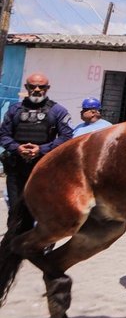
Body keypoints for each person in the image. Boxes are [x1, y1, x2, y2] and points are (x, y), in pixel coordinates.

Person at [0, 73, 73, 226]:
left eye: (42, 87)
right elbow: (4, 135)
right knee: (15, 211)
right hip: (17, 168)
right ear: (27, 88)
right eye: (33, 86)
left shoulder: (58, 111)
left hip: (44, 168)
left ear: (48, 88)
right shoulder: (14, 110)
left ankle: (40, 246)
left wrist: (41, 149)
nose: (37, 90)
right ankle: (13, 246)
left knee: (40, 209)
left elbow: (66, 137)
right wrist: (17, 147)